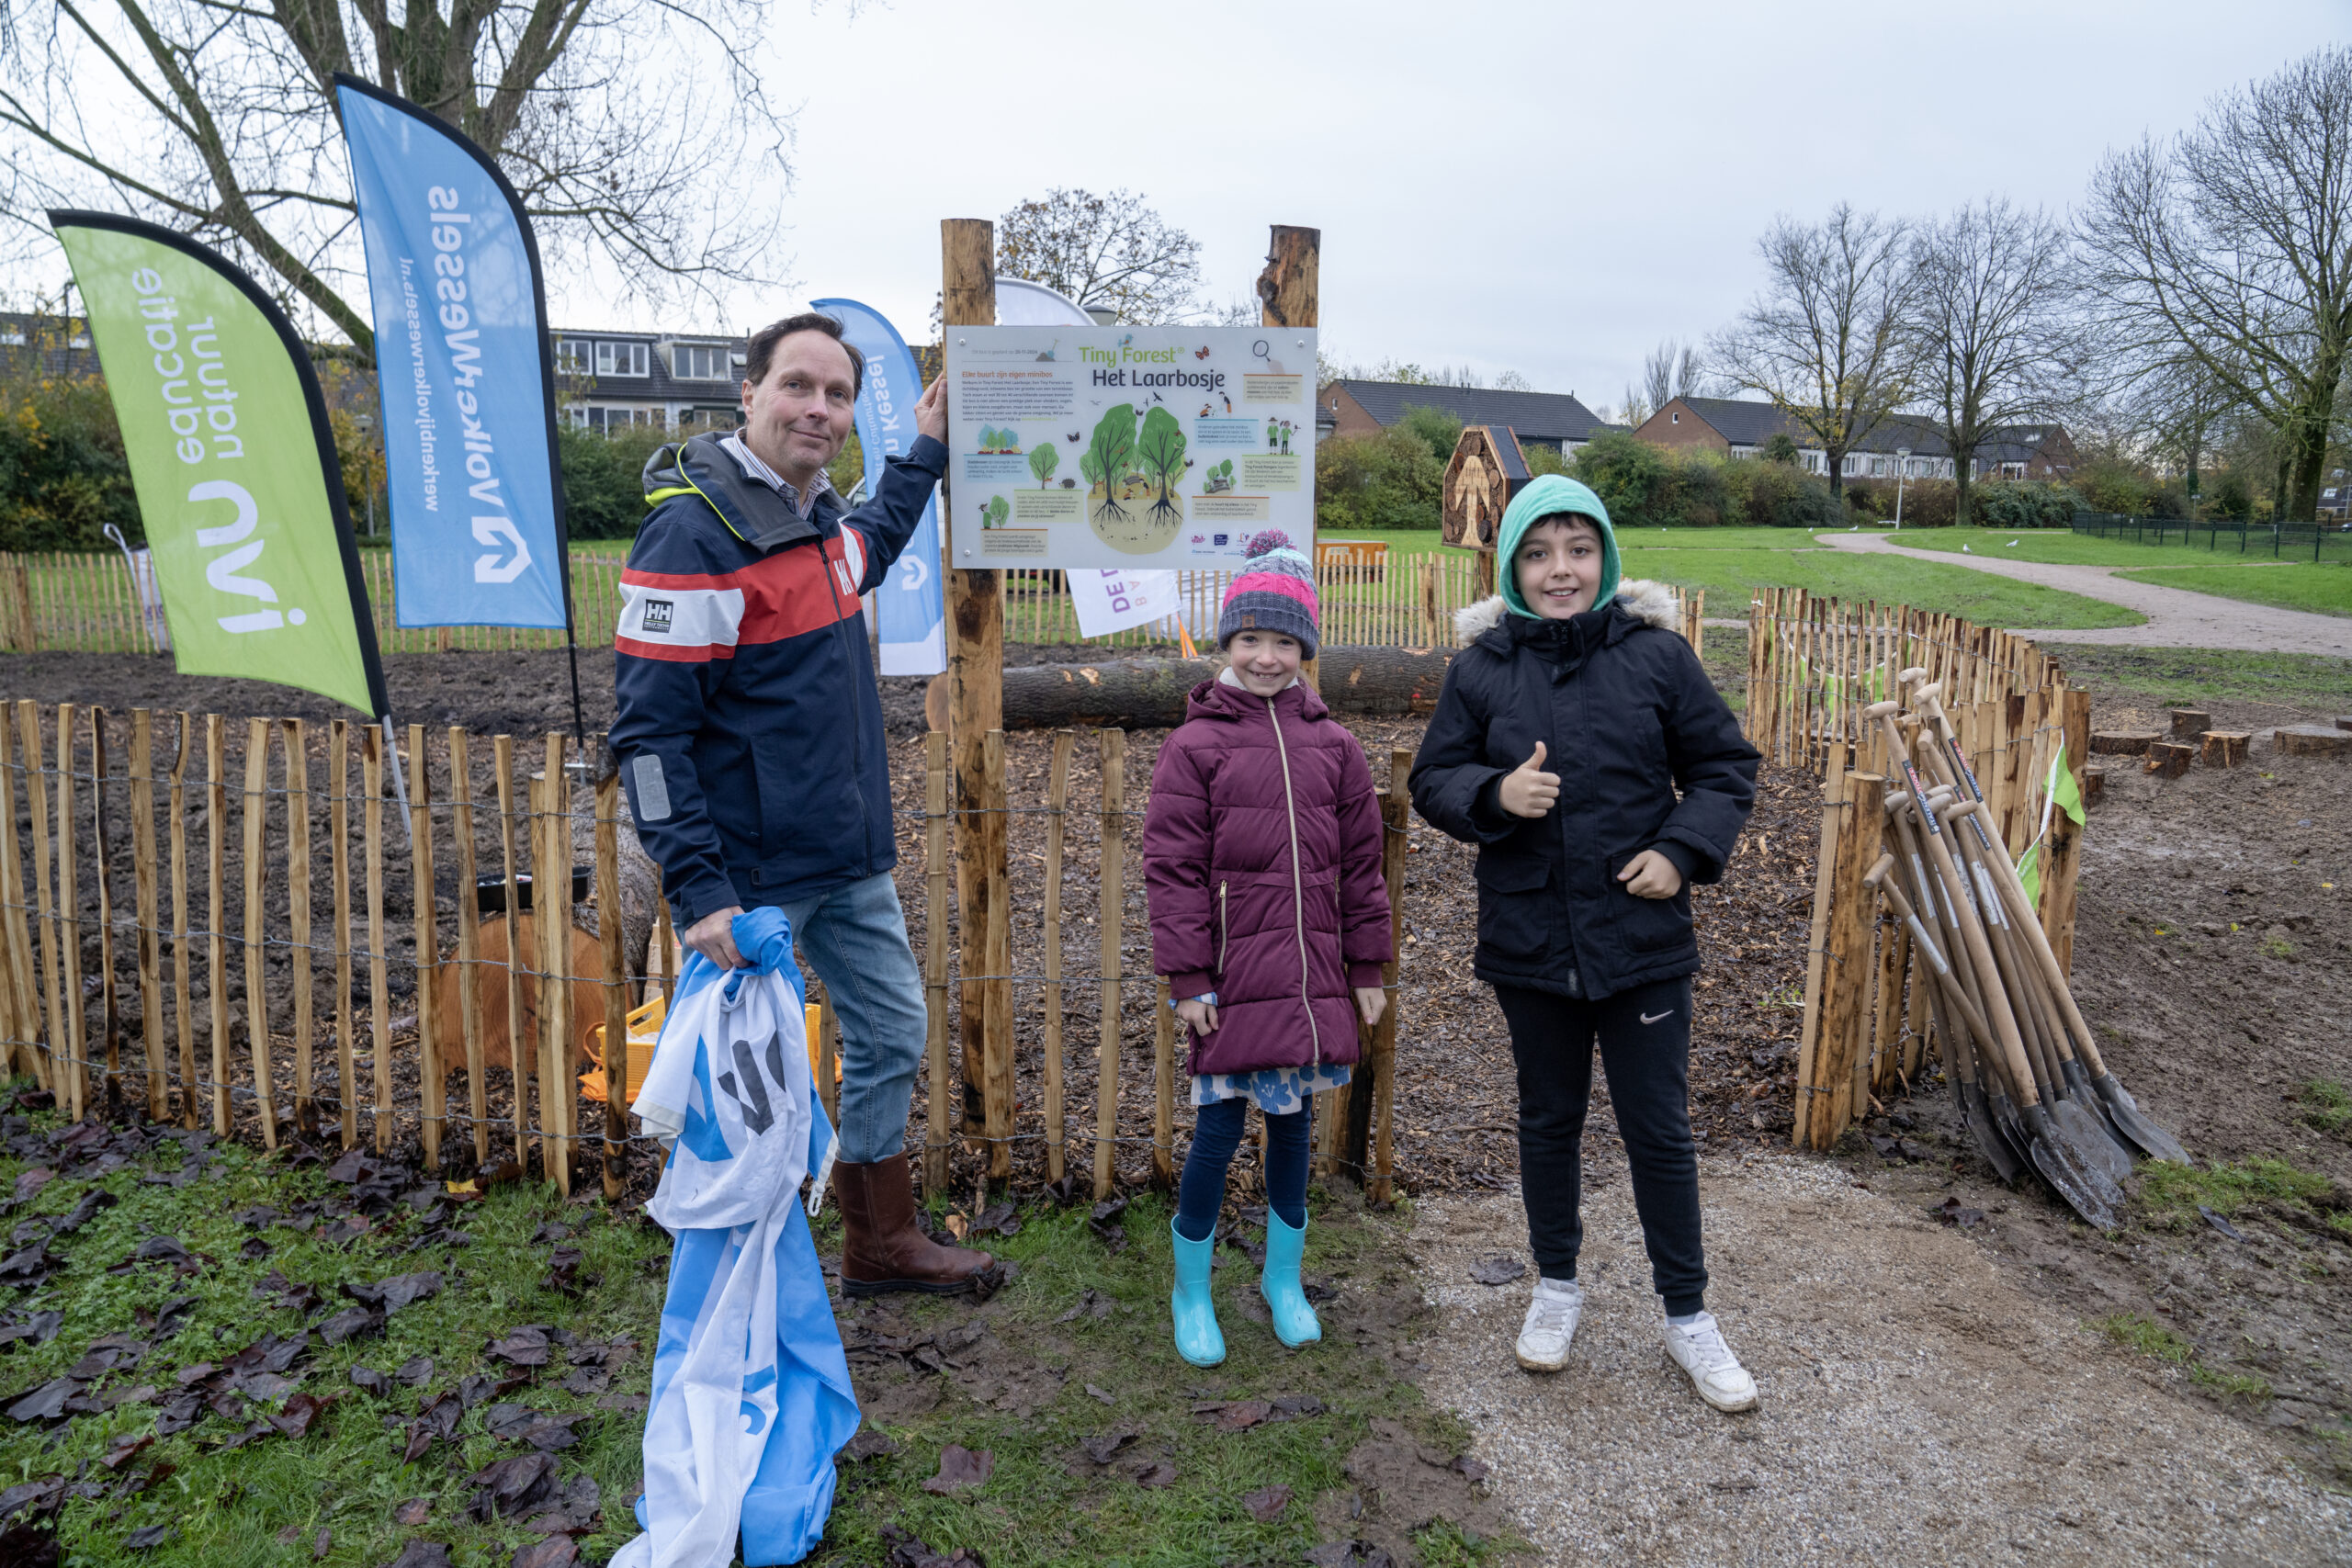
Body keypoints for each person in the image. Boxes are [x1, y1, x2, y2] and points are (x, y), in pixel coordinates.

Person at [611, 312, 993, 1297]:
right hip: (750, 885)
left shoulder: (820, 524)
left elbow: (877, 539)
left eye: (836, 394)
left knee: (892, 1031)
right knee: (746, 1087)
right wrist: (700, 892)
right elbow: (648, 739)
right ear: (749, 394)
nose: (817, 409)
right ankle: (733, 1275)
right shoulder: (693, 532)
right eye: (797, 386)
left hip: (846, 862)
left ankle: (879, 1242)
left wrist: (927, 447)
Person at [1408, 475, 1762, 1412]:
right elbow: (1433, 776)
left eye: (1577, 549)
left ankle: (1687, 1314)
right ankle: (1556, 1287)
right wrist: (1494, 793)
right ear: (1510, 567)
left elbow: (1724, 766)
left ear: (1605, 556)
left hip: (1641, 938)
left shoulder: (1657, 657)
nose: (1559, 570)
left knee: (1659, 1129)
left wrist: (1680, 851)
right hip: (1530, 937)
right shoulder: (1482, 669)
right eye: (1537, 553)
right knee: (1548, 1120)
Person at [1142, 530, 1393, 1367]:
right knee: (1216, 1134)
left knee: (1293, 1131)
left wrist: (1365, 964)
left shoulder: (1335, 747)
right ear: (1227, 640)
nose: (1266, 656)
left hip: (1310, 978)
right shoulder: (1194, 746)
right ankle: (1192, 1289)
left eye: (1284, 641)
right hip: (1230, 980)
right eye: (1250, 637)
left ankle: (1283, 1279)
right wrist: (1188, 976)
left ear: (1305, 649)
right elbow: (1172, 869)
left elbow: (1361, 865)